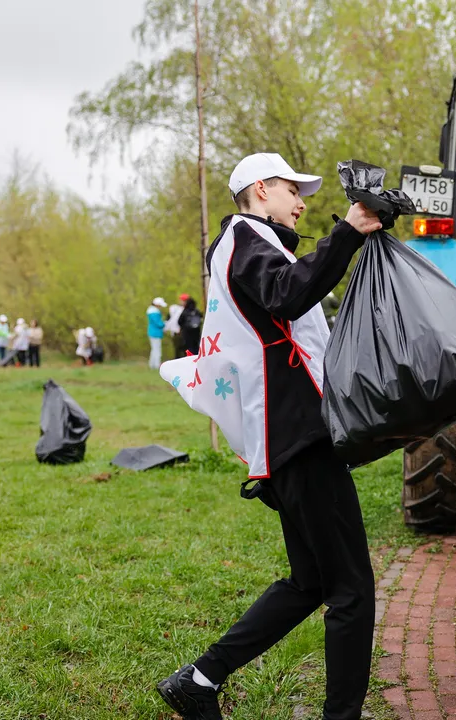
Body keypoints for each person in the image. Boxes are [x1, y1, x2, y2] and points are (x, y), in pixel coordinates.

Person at [155, 152, 382, 720]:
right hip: (297, 438)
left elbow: (291, 303)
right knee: (352, 589)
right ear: (260, 190)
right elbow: (288, 293)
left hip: (282, 439)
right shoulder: (246, 238)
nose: (302, 200)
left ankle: (199, 681)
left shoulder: (248, 245)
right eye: (291, 189)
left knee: (311, 582)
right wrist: (347, 233)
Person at [147, 297, 167, 369]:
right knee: (157, 350)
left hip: (153, 332)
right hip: (155, 333)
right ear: (157, 305)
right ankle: (156, 365)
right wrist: (165, 324)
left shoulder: (151, 311)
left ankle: (152, 365)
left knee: (154, 349)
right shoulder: (154, 312)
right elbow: (158, 323)